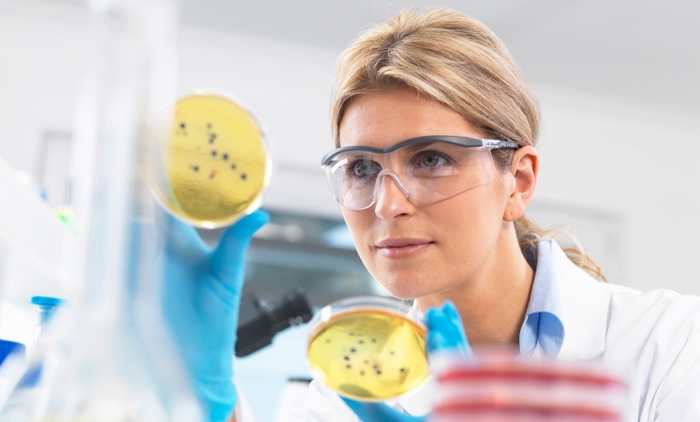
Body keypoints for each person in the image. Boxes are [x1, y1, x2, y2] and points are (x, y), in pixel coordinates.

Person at [162, 7, 700, 422]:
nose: (388, 204)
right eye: (361, 169)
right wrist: (208, 398)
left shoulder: (672, 344)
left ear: (519, 180)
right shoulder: (340, 398)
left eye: (431, 159)